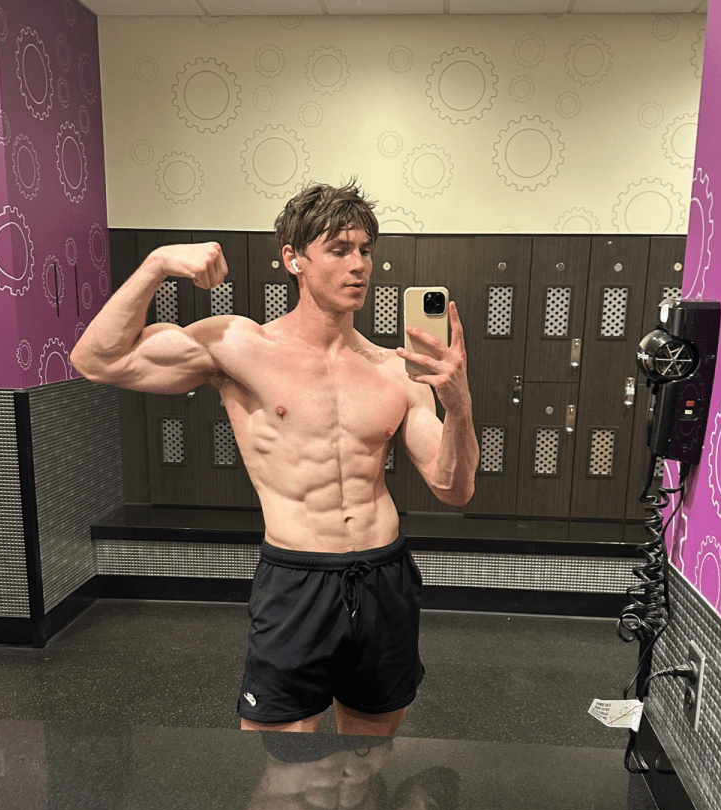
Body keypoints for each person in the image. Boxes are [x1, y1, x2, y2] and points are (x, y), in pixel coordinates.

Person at [70, 181, 479, 737]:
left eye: (365, 250)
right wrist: (157, 263)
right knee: (280, 764)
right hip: (297, 581)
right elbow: (96, 360)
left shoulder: (396, 371)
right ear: (294, 259)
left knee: (372, 753)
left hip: (384, 577)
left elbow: (454, 488)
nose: (358, 265)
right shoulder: (240, 346)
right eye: (338, 249)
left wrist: (459, 406)